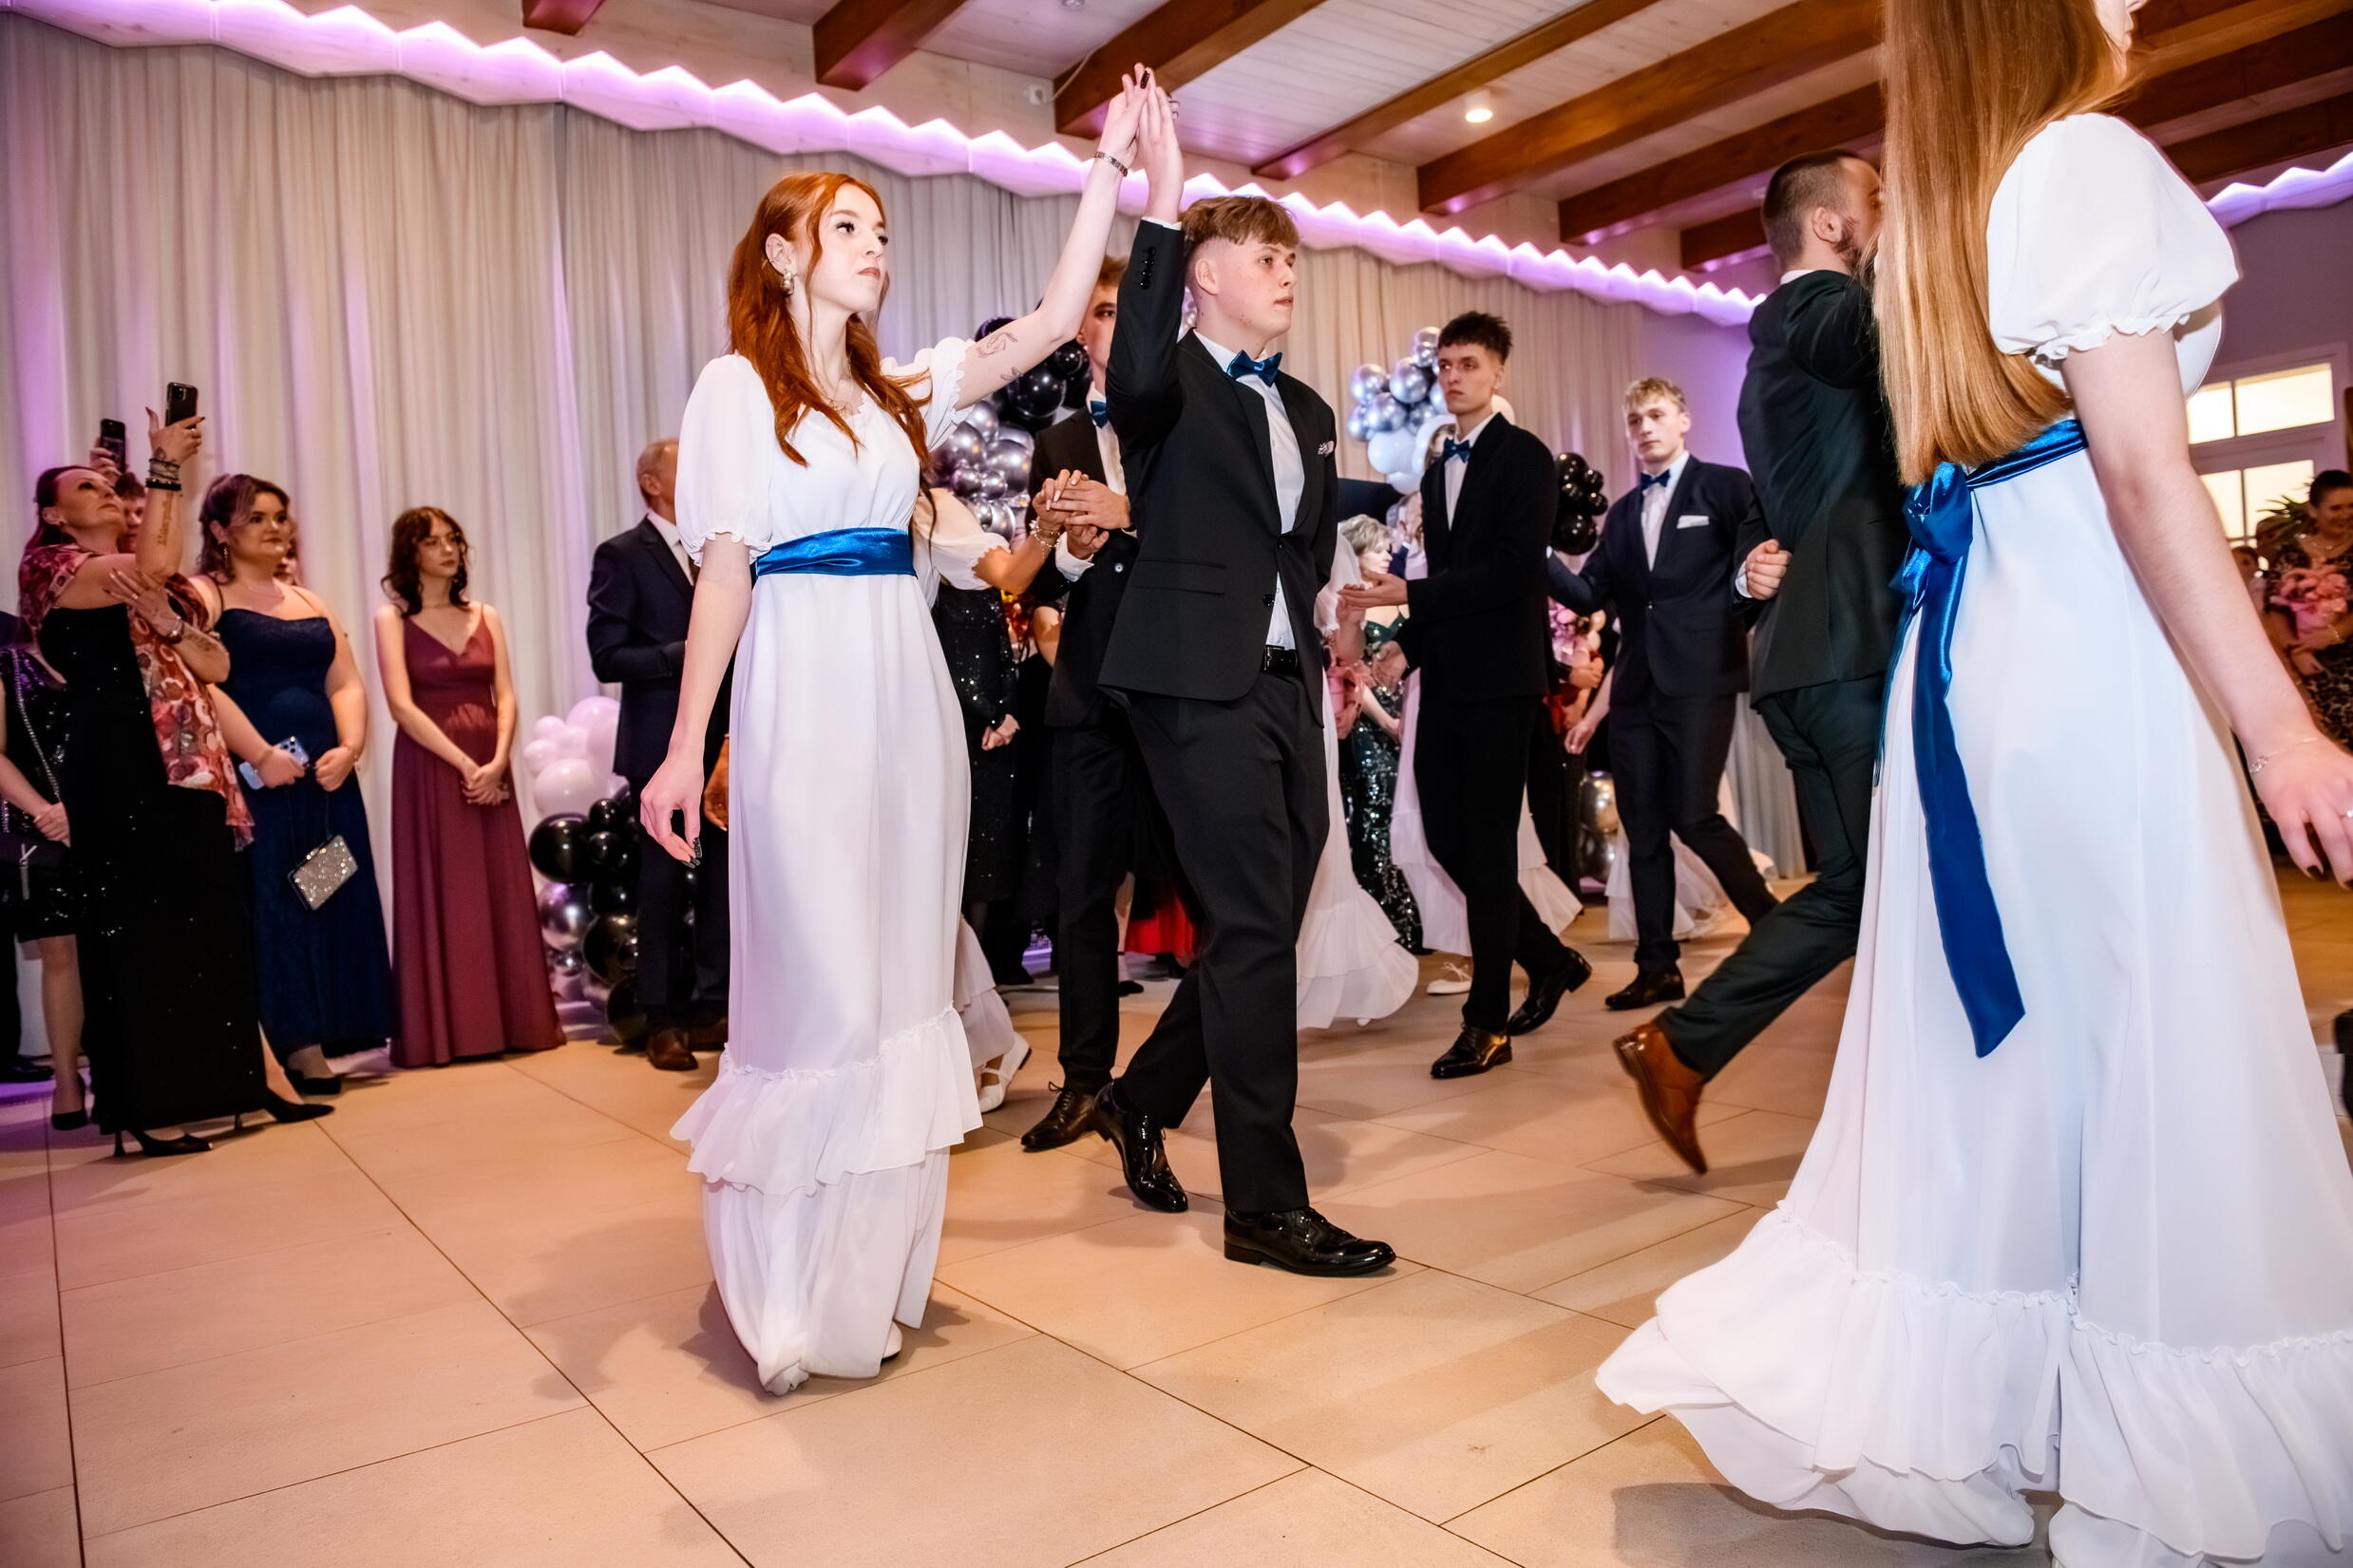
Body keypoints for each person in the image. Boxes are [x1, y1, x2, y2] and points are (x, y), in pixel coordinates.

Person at [1597, 1, 2353, 1559]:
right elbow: (2139, 468)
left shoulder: (1949, 225)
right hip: (2088, 644)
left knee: (2031, 1046)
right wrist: (2279, 726)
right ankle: (2172, 1433)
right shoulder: (2076, 162)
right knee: (2152, 1029)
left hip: (1984, 654)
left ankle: (2008, 1388)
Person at [634, 71, 1150, 1394]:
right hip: (801, 690)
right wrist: (686, 746)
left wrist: (1107, 171)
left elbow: (1047, 324)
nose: (876, 245)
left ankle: (870, 1276)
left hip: (905, 698)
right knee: (818, 979)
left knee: (898, 981)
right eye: (849, 226)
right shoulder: (733, 390)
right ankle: (790, 1285)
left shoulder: (894, 392)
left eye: (882, 229)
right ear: (783, 251)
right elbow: (725, 573)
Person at [1089, 90, 1395, 1278]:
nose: (1286, 274)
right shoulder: (1162, 381)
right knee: (1257, 928)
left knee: (1261, 918)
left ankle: (1140, 1097)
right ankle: (1264, 1206)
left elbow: (1300, 551)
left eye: (1291, 260)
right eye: (1265, 259)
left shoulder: (1305, 407)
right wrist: (1161, 199)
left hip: (1281, 686)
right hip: (1187, 683)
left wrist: (1333, 624)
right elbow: (1132, 358)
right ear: (1204, 275)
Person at [1603, 151, 1912, 1163]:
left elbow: (1788, 504)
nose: (1887, 215)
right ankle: (1682, 1046)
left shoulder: (1773, 352)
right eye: (1874, 201)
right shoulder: (1819, 310)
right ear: (1828, 225)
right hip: (1845, 650)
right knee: (1869, 885)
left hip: (1806, 656)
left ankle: (1697, 1054)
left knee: (1863, 889)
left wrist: (1747, 573)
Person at [23, 437, 329, 1156]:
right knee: (139, 936)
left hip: (189, 768)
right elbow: (151, 566)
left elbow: (214, 665)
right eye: (87, 488)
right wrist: (165, 463)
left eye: (109, 487)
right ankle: (146, 1106)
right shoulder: (53, 567)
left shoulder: (166, 587)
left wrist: (167, 622)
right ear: (54, 515)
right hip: (117, 765)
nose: (105, 494)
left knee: (209, 929)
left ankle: (227, 1087)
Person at [1348, 311, 1592, 1077]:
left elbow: (1513, 572)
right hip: (1448, 677)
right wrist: (1408, 649)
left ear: (1498, 373)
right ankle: (1547, 958)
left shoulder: (1526, 458)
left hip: (1502, 681)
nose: (1453, 377)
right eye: (1445, 365)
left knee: (1484, 848)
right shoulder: (1435, 467)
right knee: (1448, 841)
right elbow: (1451, 581)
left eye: (1468, 365)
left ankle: (1485, 1021)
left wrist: (1410, 600)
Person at [1547, 377, 1777, 1010]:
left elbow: (1758, 569)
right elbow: (1588, 595)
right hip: (1635, 689)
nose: (1644, 428)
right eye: (1634, 420)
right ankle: (1656, 967)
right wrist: (1537, 552)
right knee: (1642, 829)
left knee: (1693, 813)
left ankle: (1774, 927)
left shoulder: (1725, 487)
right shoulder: (1622, 513)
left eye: (1655, 415)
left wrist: (1734, 632)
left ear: (1682, 419)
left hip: (1702, 677)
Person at [1014, 254, 1159, 1153]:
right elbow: (1041, 582)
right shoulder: (1058, 439)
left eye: (1126, 310)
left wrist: (1125, 509)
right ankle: (1082, 1081)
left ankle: (1192, 1066)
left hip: (1181, 687)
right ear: (1081, 329)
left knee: (1218, 893)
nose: (1113, 324)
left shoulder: (1181, 420)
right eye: (1101, 311)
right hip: (1091, 689)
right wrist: (1064, 551)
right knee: (1080, 897)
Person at [194, 475, 394, 1096]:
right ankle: (296, 1045)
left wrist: (350, 748)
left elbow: (345, 681)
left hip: (323, 781)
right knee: (276, 904)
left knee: (324, 894)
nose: (275, 528)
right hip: (257, 780)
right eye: (256, 518)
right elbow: (198, 683)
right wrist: (257, 752)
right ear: (220, 530)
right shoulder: (205, 594)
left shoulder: (309, 598)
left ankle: (333, 1026)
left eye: (280, 516)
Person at [375, 506, 561, 1068]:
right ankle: (450, 1030)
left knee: (497, 886)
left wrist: (497, 761)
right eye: (432, 542)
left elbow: (507, 695)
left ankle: (515, 1021)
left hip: (490, 761)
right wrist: (464, 764)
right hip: (431, 766)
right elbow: (400, 706)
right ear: (409, 553)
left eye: (453, 539)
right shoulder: (392, 619)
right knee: (447, 888)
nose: (448, 549)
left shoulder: (486, 614)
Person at [587, 438, 731, 1072]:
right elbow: (606, 655)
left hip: (728, 740)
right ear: (650, 482)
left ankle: (717, 1007)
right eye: (684, 464)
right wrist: (686, 653)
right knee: (664, 883)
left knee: (726, 880)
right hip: (659, 745)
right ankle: (663, 1019)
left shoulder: (723, 551)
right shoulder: (622, 554)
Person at [0, 610, 81, 1114]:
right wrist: (47, 813)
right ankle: (67, 1083)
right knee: (60, 951)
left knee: (115, 950)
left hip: (111, 815)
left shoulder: (106, 656)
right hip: (42, 826)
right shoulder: (8, 661)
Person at [1335, 515, 1418, 949]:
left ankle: (1414, 918)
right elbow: (1350, 667)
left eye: (1389, 548)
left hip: (1409, 710)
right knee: (1373, 805)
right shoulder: (1350, 602)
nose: (1388, 555)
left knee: (1409, 812)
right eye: (1378, 549)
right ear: (1356, 553)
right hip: (1369, 717)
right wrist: (1386, 721)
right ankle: (1383, 918)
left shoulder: (1406, 599)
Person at [2266, 469, 2353, 747]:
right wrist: (2296, 652)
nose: (2346, 514)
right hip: (2309, 667)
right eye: (2336, 508)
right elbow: (2274, 609)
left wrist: (2333, 635)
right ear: (2313, 510)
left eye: (2351, 506)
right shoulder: (2289, 554)